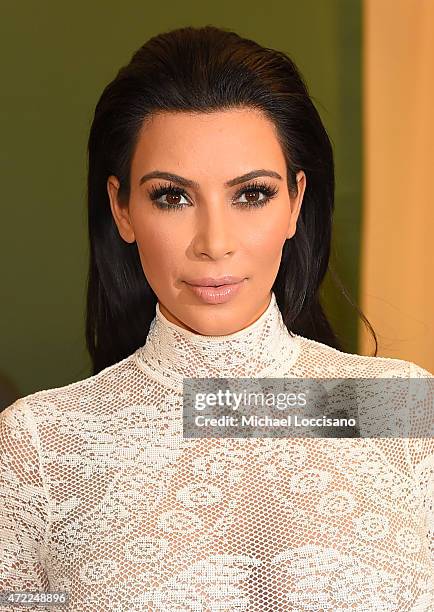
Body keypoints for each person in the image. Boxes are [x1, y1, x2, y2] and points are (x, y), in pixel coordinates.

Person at [1, 25, 432, 612]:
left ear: (295, 203)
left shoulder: (402, 408)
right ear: (121, 209)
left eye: (251, 193)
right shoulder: (40, 443)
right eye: (172, 197)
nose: (215, 242)